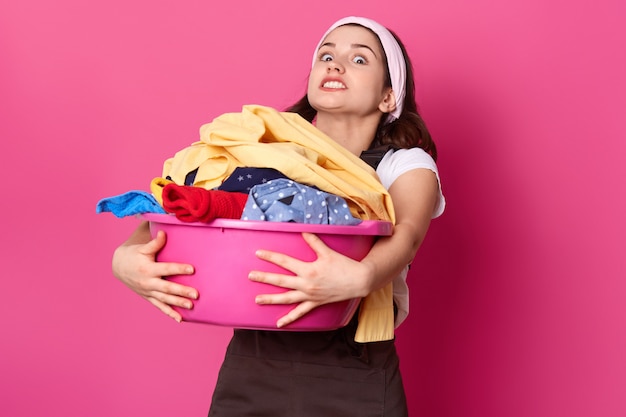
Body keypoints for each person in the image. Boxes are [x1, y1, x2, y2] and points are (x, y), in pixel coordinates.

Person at [112, 16, 445, 416]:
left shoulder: (403, 165)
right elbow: (186, 201)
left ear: (389, 97)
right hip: (254, 365)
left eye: (359, 60)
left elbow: (406, 233)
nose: (335, 65)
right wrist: (126, 254)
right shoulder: (267, 153)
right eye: (326, 55)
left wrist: (363, 277)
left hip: (355, 371)